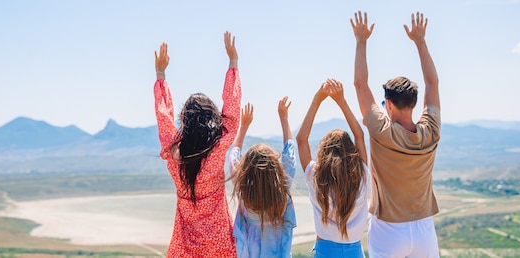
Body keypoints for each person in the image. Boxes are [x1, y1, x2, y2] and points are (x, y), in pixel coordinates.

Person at [350, 11, 441, 257]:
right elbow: (433, 83)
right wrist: (420, 42)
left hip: (389, 228)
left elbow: (360, 84)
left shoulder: (382, 131)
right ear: (415, 102)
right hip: (424, 228)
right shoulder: (431, 131)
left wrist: (361, 41)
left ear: (388, 104)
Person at [153, 31, 240, 257]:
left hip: (185, 247)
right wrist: (233, 63)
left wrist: (160, 75)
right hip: (219, 244)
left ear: (185, 122)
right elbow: (232, 112)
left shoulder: (174, 156)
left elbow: (163, 118)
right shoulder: (217, 151)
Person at [296, 78, 370, 258]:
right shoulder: (361, 173)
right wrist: (342, 101)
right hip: (354, 250)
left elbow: (301, 139)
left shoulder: (315, 176)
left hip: (325, 250)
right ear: (351, 150)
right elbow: (359, 136)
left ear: (323, 152)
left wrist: (317, 100)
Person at [229, 97, 297, 258]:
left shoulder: (243, 190)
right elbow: (290, 155)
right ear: (274, 168)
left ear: (247, 169)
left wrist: (243, 127)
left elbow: (233, 158)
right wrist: (284, 118)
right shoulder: (282, 188)